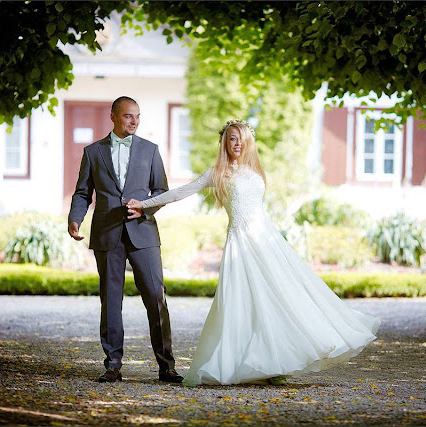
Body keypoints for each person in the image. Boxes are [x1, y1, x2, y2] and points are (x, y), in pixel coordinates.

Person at [127, 119, 380, 386]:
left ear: (249, 142)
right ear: (225, 142)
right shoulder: (217, 173)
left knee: (280, 297)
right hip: (240, 243)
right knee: (243, 303)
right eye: (232, 138)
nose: (237, 144)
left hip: (266, 241)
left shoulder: (254, 170)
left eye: (242, 139)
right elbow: (180, 192)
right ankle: (251, 364)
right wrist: (145, 204)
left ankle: (278, 363)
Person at [68, 96, 183, 384]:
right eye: (128, 116)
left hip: (143, 233)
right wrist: (75, 218)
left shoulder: (150, 150)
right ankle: (112, 365)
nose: (134, 121)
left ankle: (167, 366)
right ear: (113, 117)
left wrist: (145, 207)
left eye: (137, 116)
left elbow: (162, 191)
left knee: (156, 297)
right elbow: (82, 193)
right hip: (107, 234)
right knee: (110, 300)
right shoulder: (93, 152)